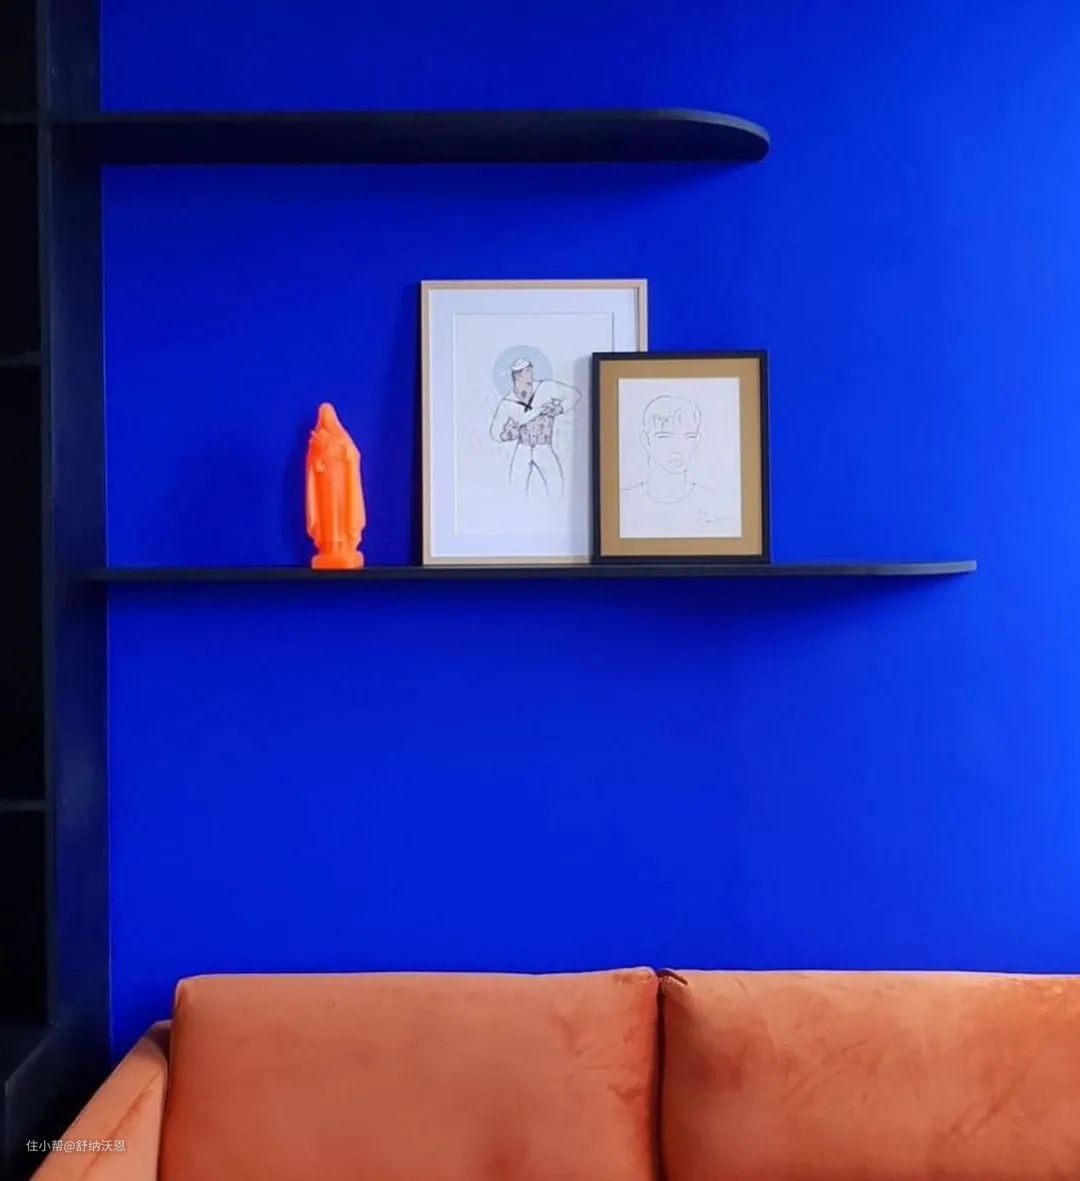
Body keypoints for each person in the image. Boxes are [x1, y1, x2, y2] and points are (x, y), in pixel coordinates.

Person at [619, 394, 735, 537]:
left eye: (689, 436)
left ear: (697, 440)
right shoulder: (624, 502)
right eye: (664, 436)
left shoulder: (715, 504)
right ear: (646, 441)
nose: (678, 448)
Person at [489, 359, 580, 497]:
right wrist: (505, 435)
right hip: (522, 449)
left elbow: (574, 395)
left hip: (544, 448)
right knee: (516, 486)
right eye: (527, 371)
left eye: (531, 370)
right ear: (518, 375)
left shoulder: (546, 387)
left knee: (555, 485)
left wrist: (559, 408)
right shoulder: (507, 402)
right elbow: (495, 431)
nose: (532, 373)